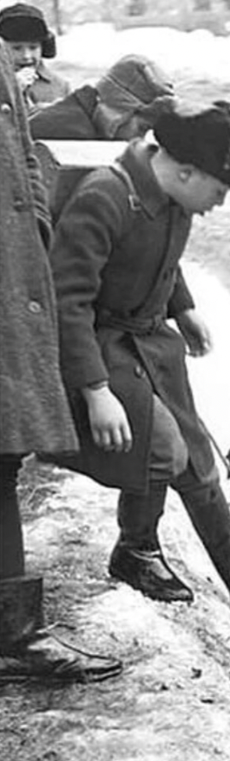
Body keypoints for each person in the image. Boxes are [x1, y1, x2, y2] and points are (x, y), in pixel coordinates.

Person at [49, 100, 230, 626]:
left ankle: (224, 566)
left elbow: (161, 259)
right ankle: (137, 548)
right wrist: (94, 389)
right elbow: (67, 300)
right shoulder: (106, 197)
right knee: (161, 446)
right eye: (218, 192)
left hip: (152, 340)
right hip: (102, 343)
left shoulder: (172, 197)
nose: (218, 203)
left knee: (193, 452)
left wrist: (184, 308)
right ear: (186, 170)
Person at [1, 40, 121, 684]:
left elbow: (23, 155)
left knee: (2, 456)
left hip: (13, 277)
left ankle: (18, 635)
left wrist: (38, 228)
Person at [29, 53, 174, 142]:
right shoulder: (69, 132)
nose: (139, 139)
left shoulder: (84, 116)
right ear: (119, 112)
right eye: (141, 128)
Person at [0, 3, 68, 110]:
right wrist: (10, 90)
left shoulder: (60, 85)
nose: (26, 56)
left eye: (33, 47)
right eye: (16, 48)